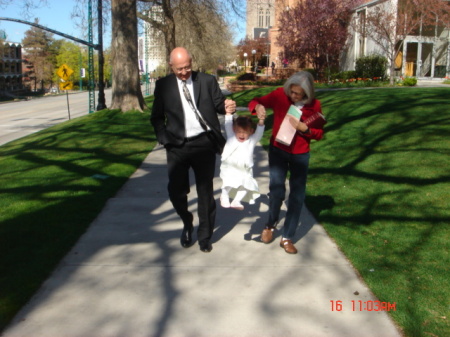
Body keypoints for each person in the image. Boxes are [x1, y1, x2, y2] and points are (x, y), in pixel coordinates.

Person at [151, 47, 236, 253]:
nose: (184, 72)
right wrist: (164, 138)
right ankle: (187, 222)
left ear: (192, 62)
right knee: (176, 191)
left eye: (187, 67)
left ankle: (205, 235)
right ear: (171, 66)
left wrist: (227, 107)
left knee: (205, 193)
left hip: (203, 144)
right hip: (177, 146)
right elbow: (156, 117)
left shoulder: (206, 81)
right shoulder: (163, 85)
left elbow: (218, 105)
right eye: (179, 68)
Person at [248, 71, 324, 254]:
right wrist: (257, 107)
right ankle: (270, 225)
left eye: (298, 93)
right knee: (276, 191)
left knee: (297, 196)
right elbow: (255, 100)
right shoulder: (279, 95)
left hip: (300, 154)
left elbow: (319, 133)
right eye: (292, 91)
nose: (293, 96)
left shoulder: (314, 106)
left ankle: (287, 237)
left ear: (307, 93)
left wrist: (305, 129)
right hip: (278, 150)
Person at [219, 112, 266, 211]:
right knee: (229, 181)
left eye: (244, 132)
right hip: (229, 166)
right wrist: (228, 113)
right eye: (239, 131)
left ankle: (236, 200)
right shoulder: (231, 136)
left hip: (244, 168)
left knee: (247, 185)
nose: (241, 134)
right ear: (234, 130)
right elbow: (228, 125)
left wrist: (261, 121)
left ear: (251, 132)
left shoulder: (252, 140)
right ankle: (224, 195)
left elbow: (259, 133)